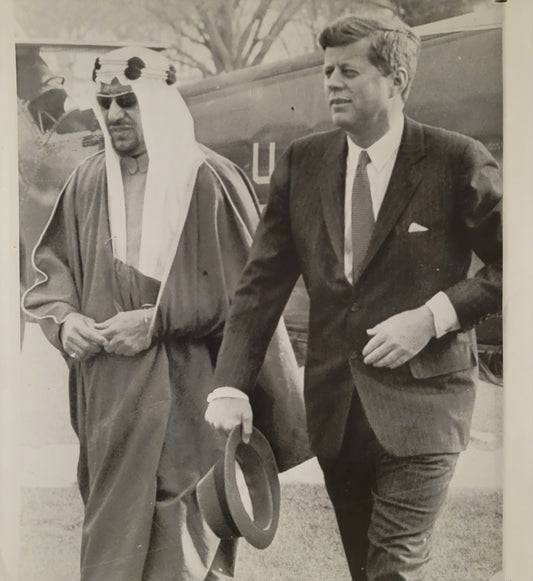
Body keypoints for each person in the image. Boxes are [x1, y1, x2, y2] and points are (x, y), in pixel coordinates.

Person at [205, 14, 502, 581]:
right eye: (326, 72)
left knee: (395, 567)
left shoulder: (455, 159)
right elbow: (261, 282)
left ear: (396, 80)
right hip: (338, 414)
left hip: (427, 409)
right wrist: (229, 385)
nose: (331, 83)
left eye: (348, 70)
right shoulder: (303, 162)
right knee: (367, 570)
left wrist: (434, 316)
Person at [22, 46, 307, 581]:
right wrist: (65, 321)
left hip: (189, 402)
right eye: (105, 103)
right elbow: (50, 277)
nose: (112, 117)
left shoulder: (210, 179)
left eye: (127, 102)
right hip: (109, 409)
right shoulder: (85, 182)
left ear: (157, 101)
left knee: (186, 556)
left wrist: (155, 321)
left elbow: (252, 300)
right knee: (110, 555)